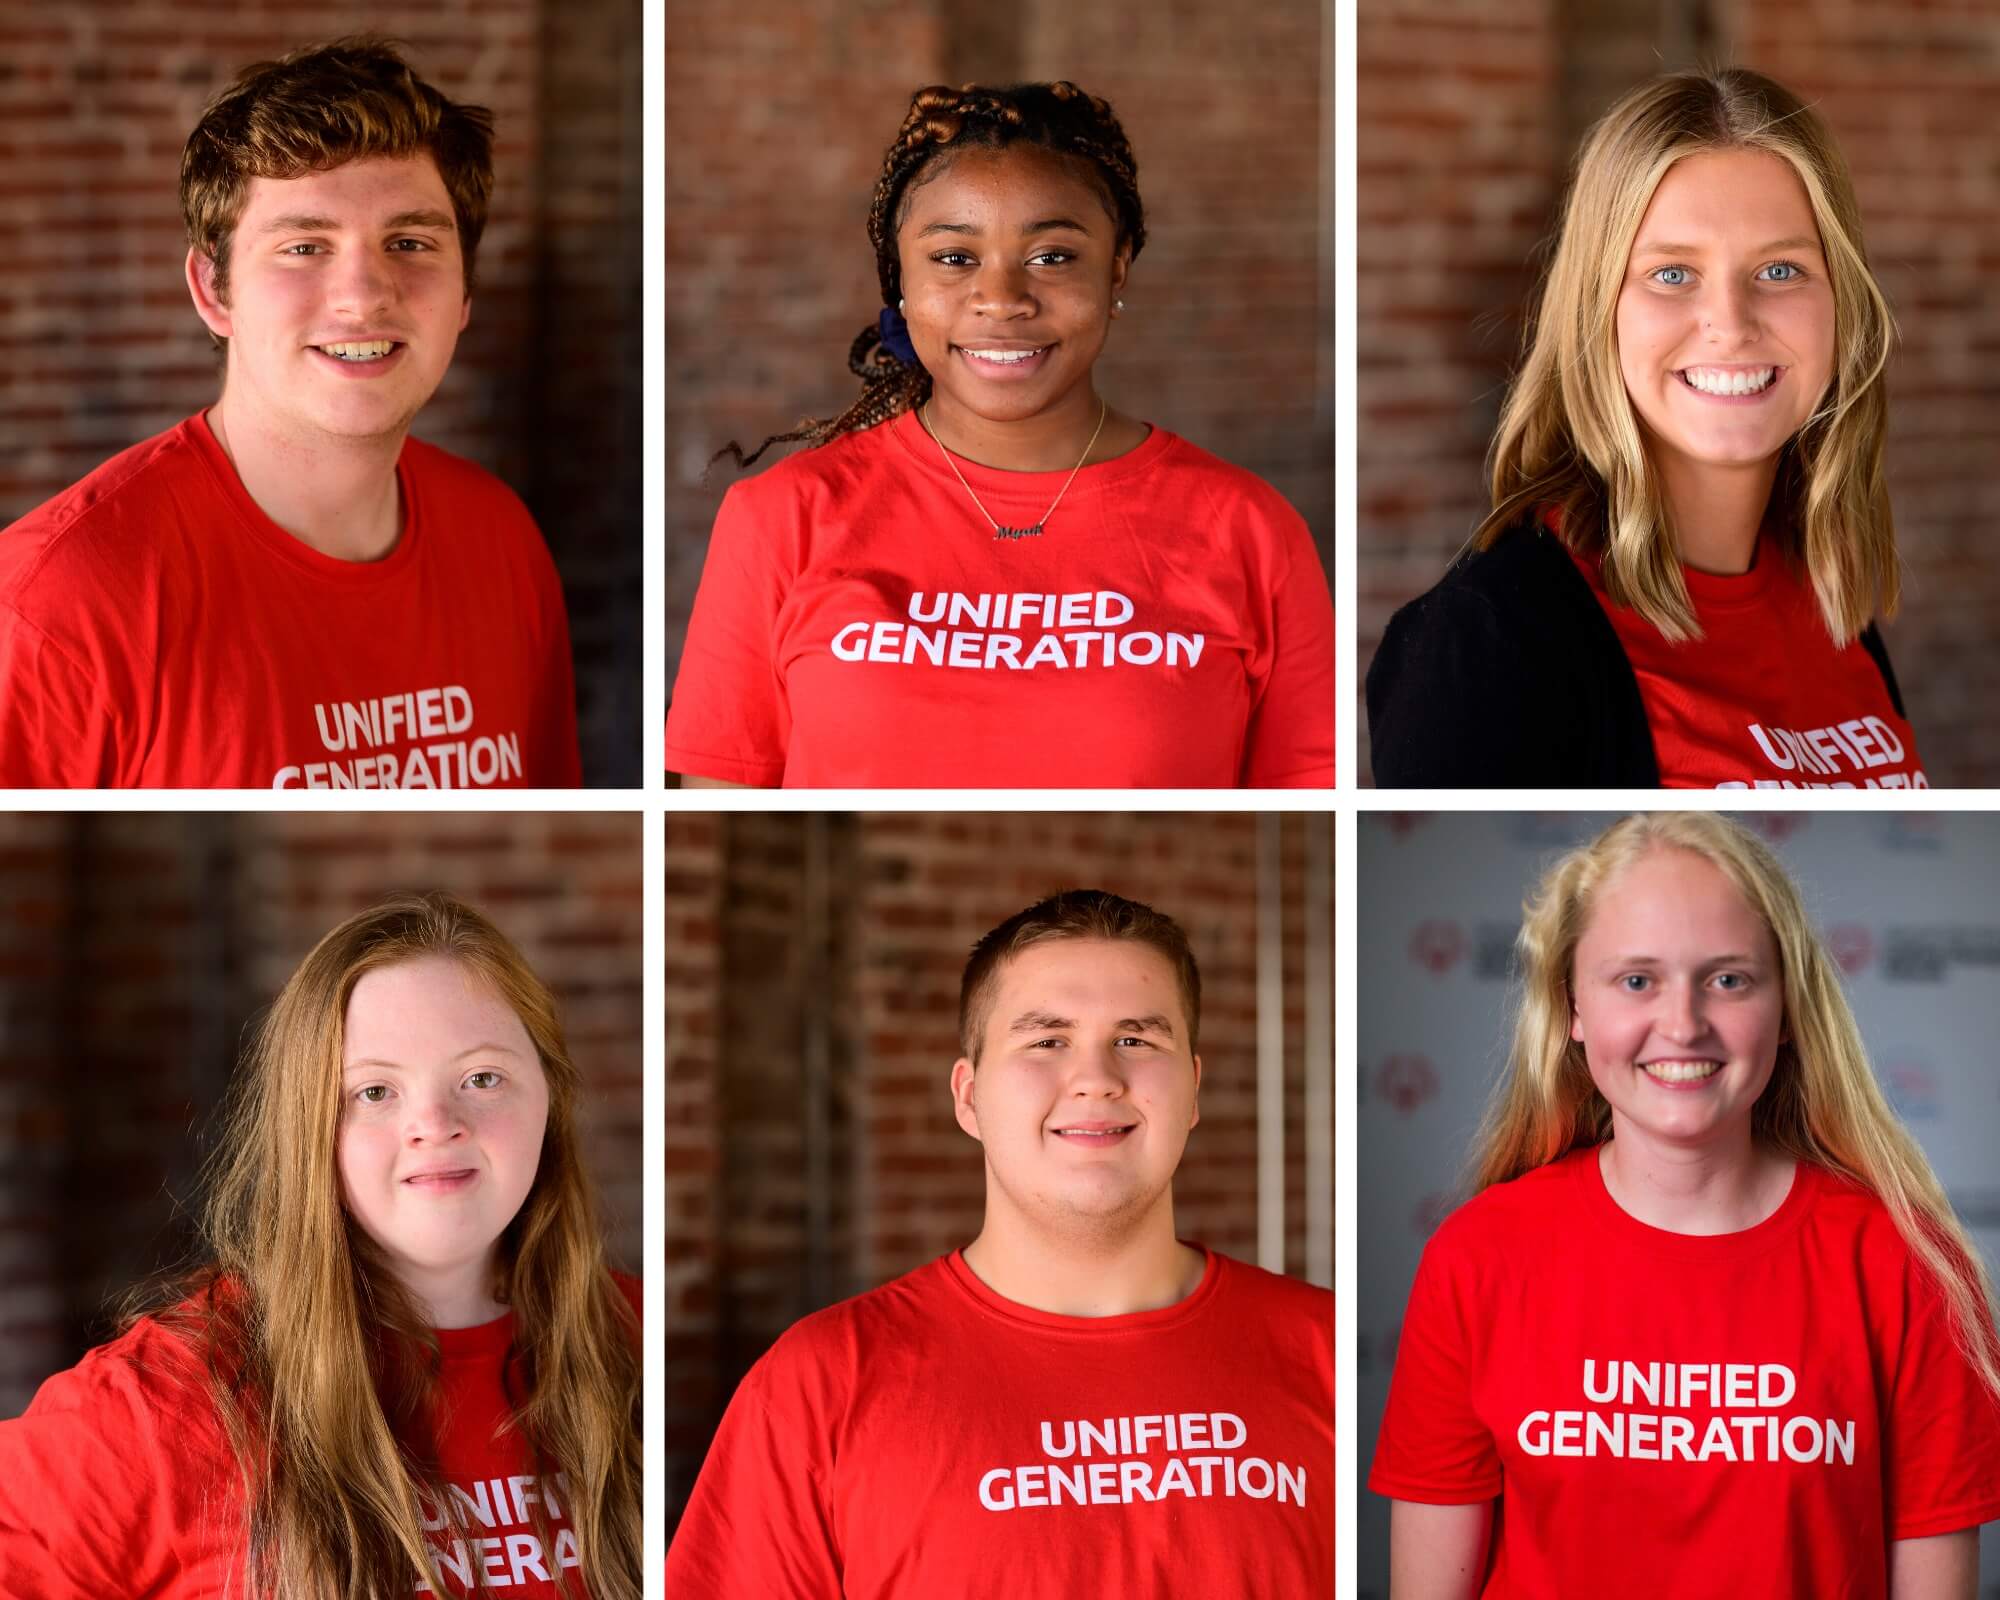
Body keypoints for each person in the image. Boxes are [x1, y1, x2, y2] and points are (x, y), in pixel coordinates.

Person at [1370, 814, 2000, 1597]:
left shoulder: (1906, 1267)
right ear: (1572, 1007)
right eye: (1637, 980)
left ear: (1788, 1008)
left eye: (1728, 979)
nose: (1682, 1024)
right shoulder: (1478, 1256)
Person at [665, 82, 1334, 789]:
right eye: (954, 258)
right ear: (899, 278)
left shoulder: (1252, 529)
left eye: (1053, 256)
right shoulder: (780, 519)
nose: (1003, 300)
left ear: (1117, 265)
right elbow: (720, 802)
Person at [664, 890, 1334, 1593]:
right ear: (968, 1096)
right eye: (1047, 1041)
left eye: (1136, 1040)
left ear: (1192, 1090)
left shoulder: (1324, 1349)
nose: (1097, 1080)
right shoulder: (818, 1387)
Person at [0, 893, 641, 1598]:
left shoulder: (637, 1346)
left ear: (550, 1098)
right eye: (372, 1092)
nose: (434, 1123)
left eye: (482, 1078)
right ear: (311, 1125)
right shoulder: (171, 1400)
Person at [0, 40, 581, 789]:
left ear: (464, 294)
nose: (364, 294)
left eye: (409, 242)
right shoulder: (56, 599)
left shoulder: (503, 539)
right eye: (305, 246)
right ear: (213, 290)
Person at [1366, 69, 1924, 790]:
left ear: (1842, 303)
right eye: (1672, 274)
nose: (1731, 323)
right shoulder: (1486, 641)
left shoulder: (1830, 604)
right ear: (1599, 308)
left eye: (1781, 269)